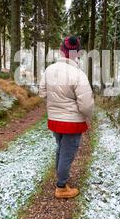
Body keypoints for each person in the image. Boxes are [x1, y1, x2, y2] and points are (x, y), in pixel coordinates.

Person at [39, 36, 94, 199]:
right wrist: (88, 116)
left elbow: (42, 93)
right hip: (72, 122)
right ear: (77, 54)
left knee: (61, 148)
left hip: (55, 120)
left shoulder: (49, 70)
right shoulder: (78, 74)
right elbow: (86, 105)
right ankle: (61, 187)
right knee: (67, 153)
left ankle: (60, 178)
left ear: (61, 50)